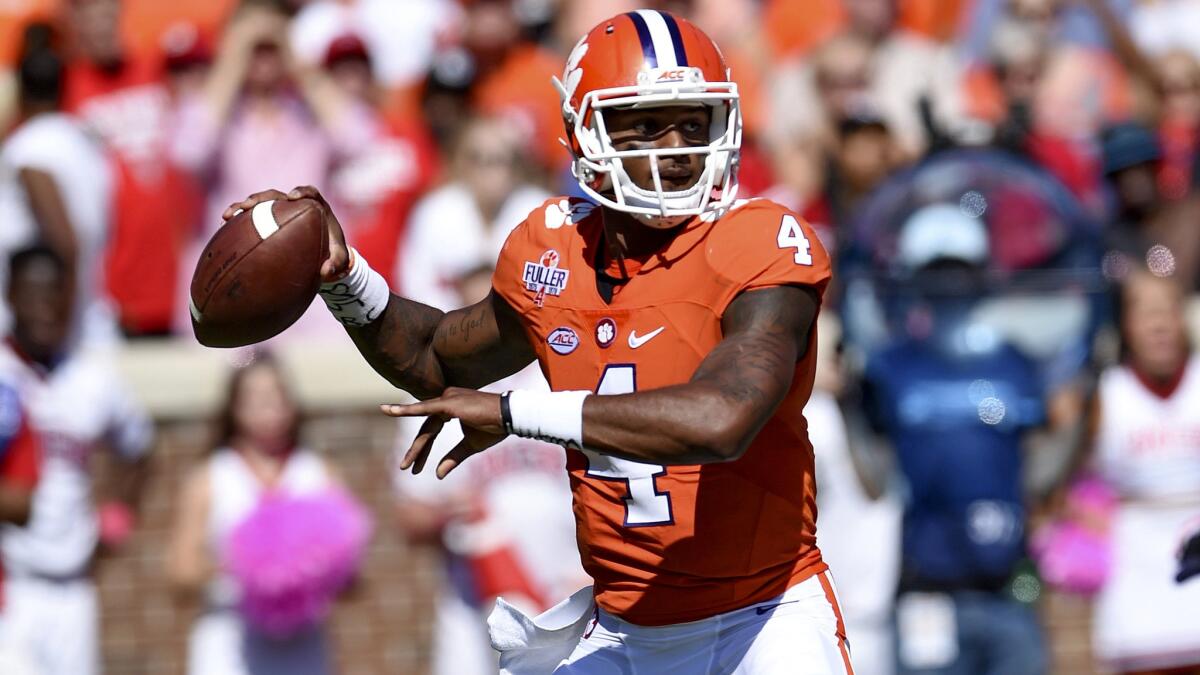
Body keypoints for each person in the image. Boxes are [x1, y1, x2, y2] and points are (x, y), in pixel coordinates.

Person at [224, 9, 850, 674]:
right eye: (642, 126)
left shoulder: (759, 243)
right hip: (625, 631)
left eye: (692, 123)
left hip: (763, 619)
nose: (673, 148)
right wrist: (346, 277)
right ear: (586, 136)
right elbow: (438, 358)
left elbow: (722, 417)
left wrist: (515, 414)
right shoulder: (554, 250)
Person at [857, 205, 1049, 675]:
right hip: (927, 590)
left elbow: (1042, 461)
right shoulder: (890, 366)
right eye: (936, 272)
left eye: (958, 271)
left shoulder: (1014, 362)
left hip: (1012, 587)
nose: (949, 286)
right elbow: (875, 475)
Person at [394, 265, 587, 675]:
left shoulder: (561, 377)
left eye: (492, 309)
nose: (480, 323)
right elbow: (409, 516)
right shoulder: (435, 395)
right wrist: (450, 513)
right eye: (470, 311)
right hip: (476, 604)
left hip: (572, 590)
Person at [0, 245, 153, 675]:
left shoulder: (92, 379)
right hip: (11, 583)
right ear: (11, 295)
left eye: (56, 294)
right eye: (34, 294)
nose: (46, 308)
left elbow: (138, 446)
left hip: (73, 585)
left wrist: (117, 516)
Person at [166, 353, 345, 675]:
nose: (267, 408)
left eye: (276, 396)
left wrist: (313, 566)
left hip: (302, 642)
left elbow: (352, 576)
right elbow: (179, 576)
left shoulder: (317, 473)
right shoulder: (211, 477)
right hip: (231, 639)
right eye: (254, 398)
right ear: (233, 408)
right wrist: (239, 562)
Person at [1073, 269, 1200, 673]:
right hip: (1137, 583)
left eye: (1168, 312)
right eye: (1147, 314)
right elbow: (1057, 484)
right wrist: (1082, 511)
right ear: (1126, 326)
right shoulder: (1105, 395)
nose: (1160, 325)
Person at [62, 0, 199, 338]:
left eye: (109, 15)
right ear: (73, 22)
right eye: (92, 17)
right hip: (112, 289)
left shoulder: (157, 71)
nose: (103, 27)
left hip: (179, 279)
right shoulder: (66, 89)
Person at [0, 26, 115, 345]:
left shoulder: (29, 149)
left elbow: (64, 241)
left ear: (20, 92)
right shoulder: (83, 142)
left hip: (48, 335)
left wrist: (54, 329)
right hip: (89, 316)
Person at [396, 115, 550, 309]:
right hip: (448, 327)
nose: (488, 171)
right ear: (462, 162)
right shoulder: (435, 211)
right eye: (478, 159)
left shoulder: (542, 213)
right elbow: (415, 283)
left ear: (516, 165)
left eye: (498, 160)